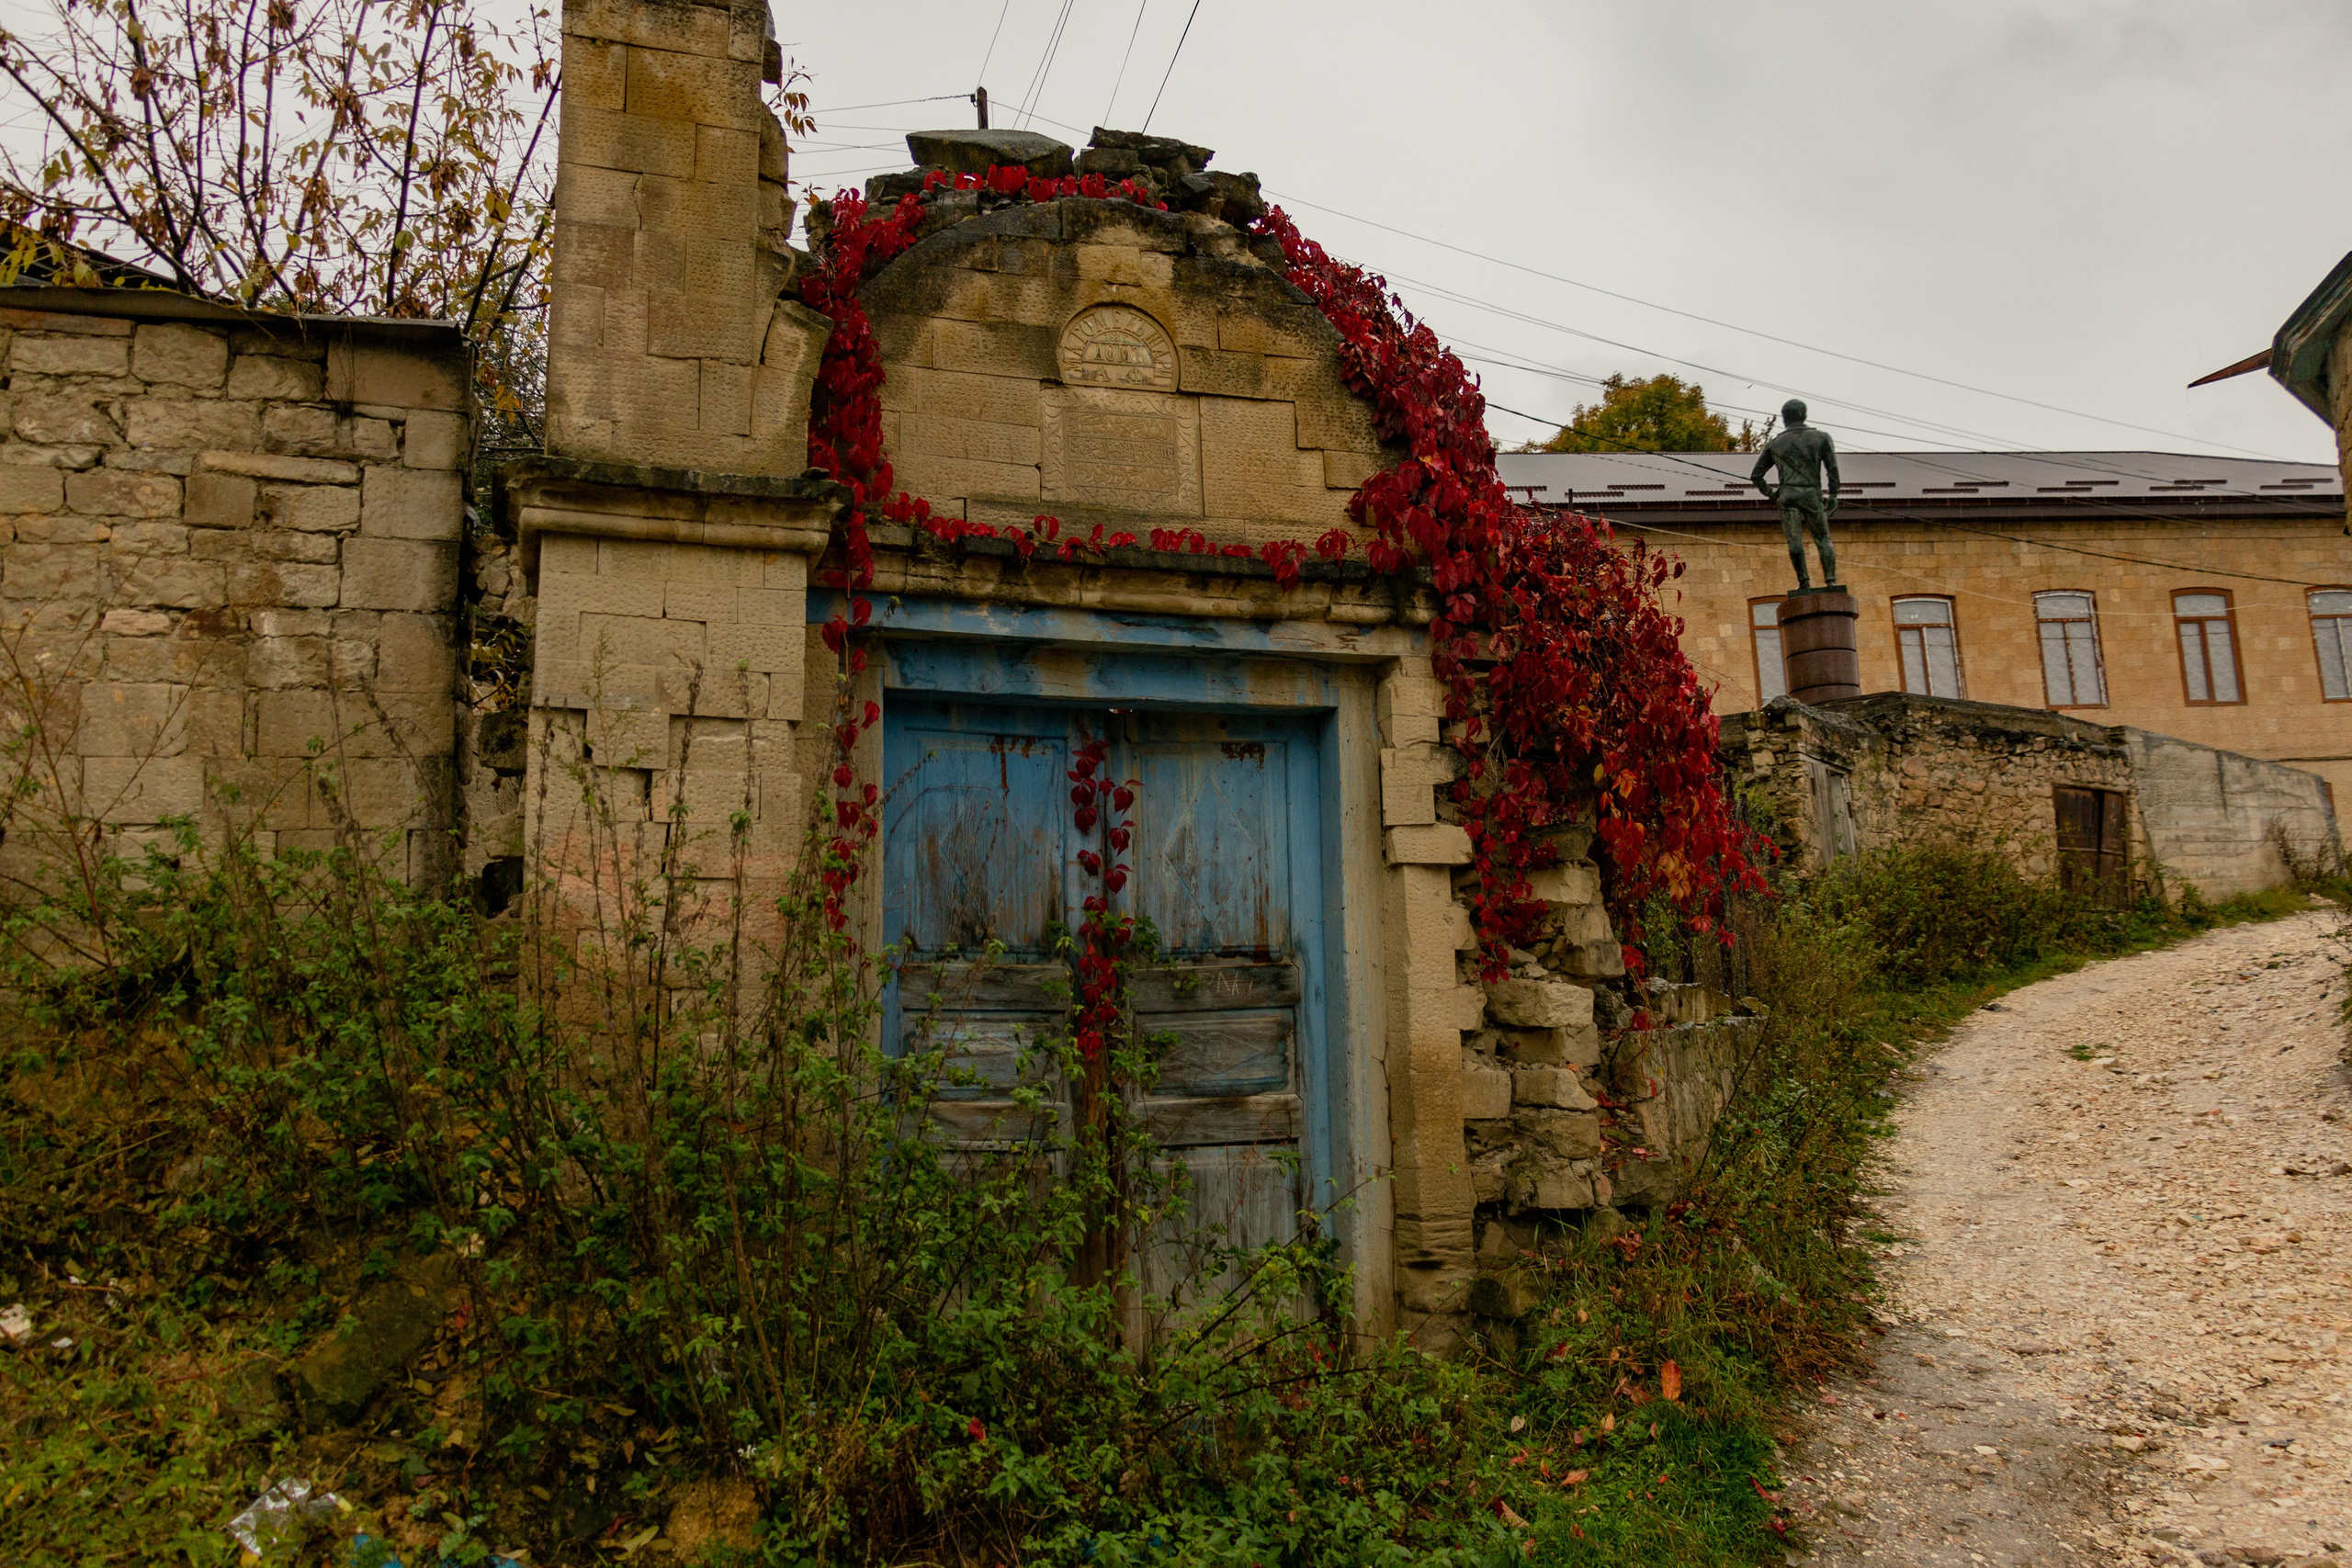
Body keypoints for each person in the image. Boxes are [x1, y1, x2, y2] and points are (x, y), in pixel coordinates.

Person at [1749, 399, 1841, 590]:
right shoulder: (1821, 438)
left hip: (1788, 495)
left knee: (1794, 542)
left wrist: (1772, 494)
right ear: (1804, 415)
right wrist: (1833, 494)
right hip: (1811, 494)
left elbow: (1756, 475)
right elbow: (1832, 468)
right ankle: (1831, 581)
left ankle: (1804, 582)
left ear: (1784, 419)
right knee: (1823, 538)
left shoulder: (1775, 443)